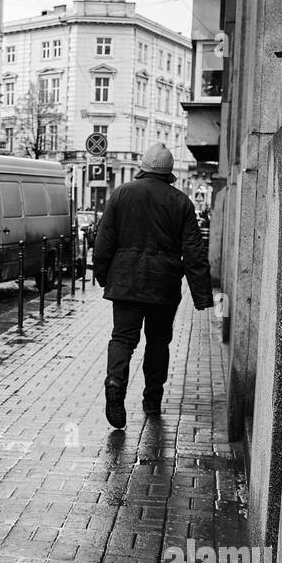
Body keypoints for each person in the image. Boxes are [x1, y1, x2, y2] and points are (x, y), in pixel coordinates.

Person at [92, 142, 213, 429]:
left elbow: (103, 242)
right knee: (158, 342)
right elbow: (194, 251)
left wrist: (104, 276)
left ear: (142, 169)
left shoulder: (121, 194)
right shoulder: (181, 202)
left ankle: (115, 382)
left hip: (126, 282)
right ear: (169, 174)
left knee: (123, 339)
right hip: (164, 285)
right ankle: (152, 398)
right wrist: (202, 296)